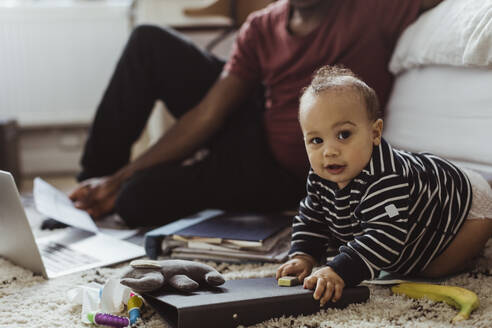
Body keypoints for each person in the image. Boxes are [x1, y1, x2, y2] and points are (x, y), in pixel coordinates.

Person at [69, 0, 443, 227]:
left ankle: (114, 192)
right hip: (256, 124)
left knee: (136, 201)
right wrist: (116, 177)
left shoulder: (373, 10)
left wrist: (127, 184)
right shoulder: (263, 26)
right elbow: (208, 115)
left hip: (281, 173)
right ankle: (88, 191)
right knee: (149, 42)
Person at [276, 65, 492, 306]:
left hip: (467, 203)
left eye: (344, 135)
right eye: (316, 140)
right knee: (393, 258)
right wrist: (303, 254)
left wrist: (339, 270)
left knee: (429, 269)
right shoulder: (320, 177)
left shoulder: (386, 178)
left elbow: (385, 233)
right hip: (419, 197)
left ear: (375, 133)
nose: (329, 151)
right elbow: (312, 217)